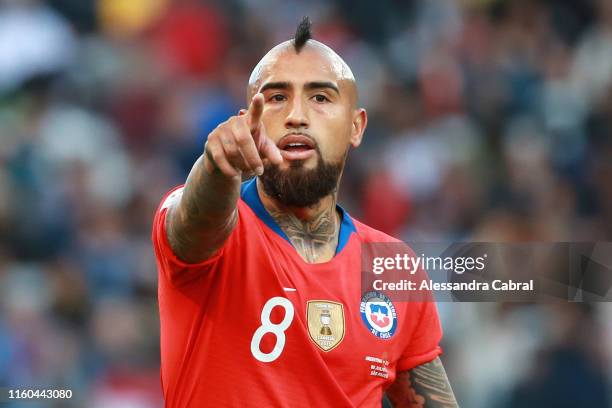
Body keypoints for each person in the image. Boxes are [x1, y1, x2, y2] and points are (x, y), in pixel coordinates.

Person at [152, 17, 458, 407]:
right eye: (277, 97)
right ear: (249, 119)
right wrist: (215, 168)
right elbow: (194, 223)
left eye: (320, 98)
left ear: (356, 126)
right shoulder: (214, 228)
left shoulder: (394, 266)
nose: (297, 115)